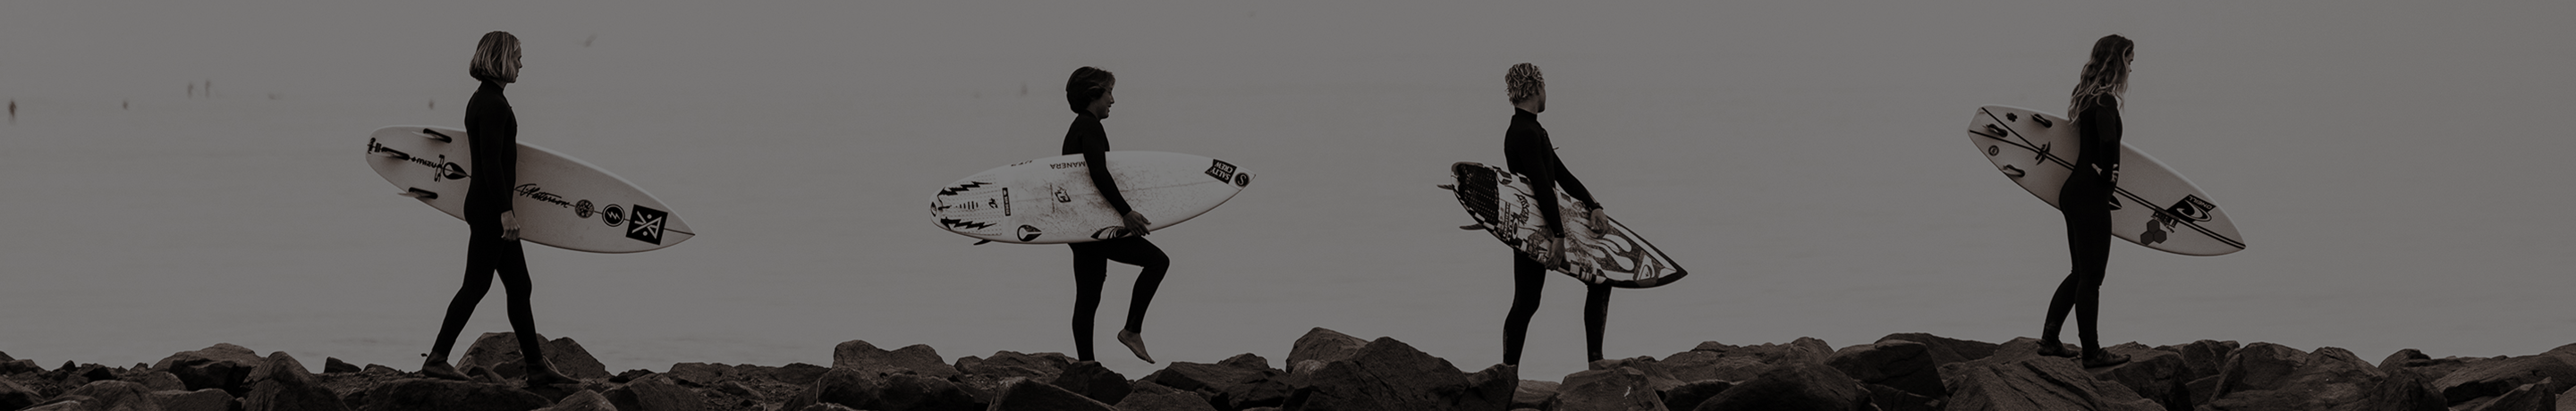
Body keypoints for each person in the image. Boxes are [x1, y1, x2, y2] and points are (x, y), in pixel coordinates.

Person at [418, 31, 581, 386]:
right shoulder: (492, 104)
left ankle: (536, 367)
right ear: (501, 58)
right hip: (491, 208)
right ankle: (437, 358)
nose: (522, 63)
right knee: (476, 286)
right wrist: (506, 211)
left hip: (487, 205)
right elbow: (491, 164)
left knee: (519, 285)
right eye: (518, 56)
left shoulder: (485, 99)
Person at [1497, 63, 1617, 365]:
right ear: (1537, 88)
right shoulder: (1524, 133)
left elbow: (1561, 175)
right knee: (1526, 303)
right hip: (1536, 229)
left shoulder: (1532, 129)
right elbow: (1541, 187)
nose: (1547, 93)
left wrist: (1594, 205)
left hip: (1542, 225)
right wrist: (1559, 236)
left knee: (1594, 283)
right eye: (1545, 87)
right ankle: (1508, 372)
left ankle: (1594, 361)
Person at [2036, 35, 2135, 368]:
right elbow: (2107, 141)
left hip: (2073, 191)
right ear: (2117, 62)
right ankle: (2091, 352)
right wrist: (2110, 177)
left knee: (2080, 271)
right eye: (2130, 60)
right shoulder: (2105, 101)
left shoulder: (2087, 98)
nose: (2132, 67)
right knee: (2093, 276)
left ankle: (2050, 340)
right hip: (2091, 194)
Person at [1061, 66, 1165, 364]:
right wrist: (1126, 213)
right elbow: (1098, 173)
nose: (1113, 100)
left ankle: (1086, 365)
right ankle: (1132, 330)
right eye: (1110, 92)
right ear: (1095, 94)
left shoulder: (1076, 128)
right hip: (1094, 228)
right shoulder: (1090, 126)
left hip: (1080, 227)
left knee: (1088, 297)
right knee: (1158, 262)